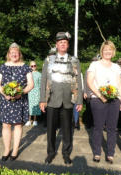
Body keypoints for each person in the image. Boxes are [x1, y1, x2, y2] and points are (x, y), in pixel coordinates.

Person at [40, 32, 83, 165]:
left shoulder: (75, 61)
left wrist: (79, 100)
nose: (62, 44)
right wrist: (42, 99)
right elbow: (43, 80)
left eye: (65, 42)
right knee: (51, 130)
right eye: (60, 42)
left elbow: (78, 81)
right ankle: (51, 153)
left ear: (68, 45)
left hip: (68, 100)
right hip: (52, 99)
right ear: (56, 45)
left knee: (67, 130)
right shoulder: (48, 60)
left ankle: (66, 153)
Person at [0, 43, 34, 161]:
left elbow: (31, 84)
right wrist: (4, 93)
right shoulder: (2, 67)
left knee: (18, 125)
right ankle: (7, 149)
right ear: (8, 54)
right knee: (6, 125)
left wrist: (20, 93)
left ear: (19, 54)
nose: (14, 54)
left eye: (16, 52)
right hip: (6, 101)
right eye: (12, 53)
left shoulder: (26, 67)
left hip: (20, 100)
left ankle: (15, 150)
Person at [87, 40, 121, 164]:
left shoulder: (117, 67)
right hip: (98, 99)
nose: (108, 51)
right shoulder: (94, 65)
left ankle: (110, 153)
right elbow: (90, 82)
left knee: (112, 128)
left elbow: (119, 83)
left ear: (113, 52)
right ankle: (97, 153)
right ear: (102, 51)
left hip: (114, 100)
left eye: (110, 49)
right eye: (105, 49)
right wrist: (100, 96)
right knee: (98, 127)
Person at [25, 61, 42, 127]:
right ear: (29, 66)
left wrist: (40, 92)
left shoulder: (39, 74)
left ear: (36, 66)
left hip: (37, 91)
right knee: (29, 106)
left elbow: (40, 84)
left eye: (34, 65)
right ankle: (29, 120)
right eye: (32, 66)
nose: (33, 67)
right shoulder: (28, 74)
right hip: (30, 91)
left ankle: (35, 120)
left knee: (35, 105)